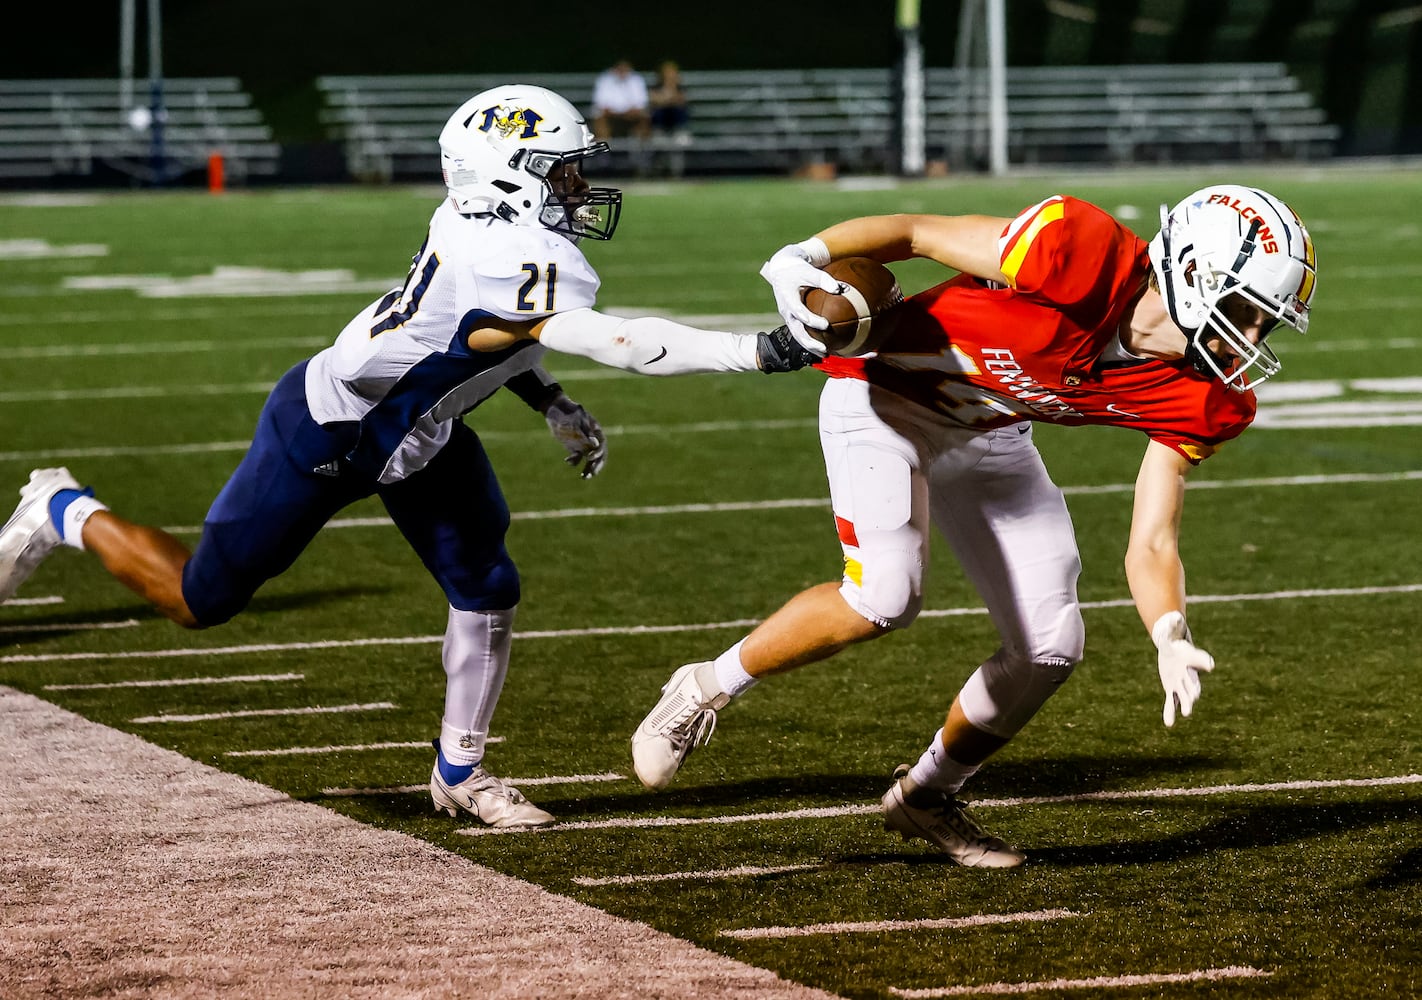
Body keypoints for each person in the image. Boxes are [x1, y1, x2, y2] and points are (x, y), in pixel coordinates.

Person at [0, 84, 815, 830]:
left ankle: (459, 771)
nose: (576, 189)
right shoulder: (511, 253)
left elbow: (495, 339)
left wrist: (549, 401)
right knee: (197, 599)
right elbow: (627, 343)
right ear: (508, 177)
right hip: (332, 430)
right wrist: (765, 350)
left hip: (419, 435)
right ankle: (61, 509)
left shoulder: (484, 227)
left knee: (488, 584)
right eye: (559, 173)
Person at [630, 185, 1318, 867]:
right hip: (885, 398)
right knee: (883, 597)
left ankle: (927, 795)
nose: (1251, 337)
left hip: (990, 428)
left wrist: (1169, 632)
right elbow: (915, 230)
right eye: (1246, 311)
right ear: (1193, 272)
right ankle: (703, 688)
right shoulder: (1082, 251)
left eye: (1267, 320)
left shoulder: (1207, 397)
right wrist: (803, 256)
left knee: (1050, 648)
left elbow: (1154, 536)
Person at [591, 59, 652, 144]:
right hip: (611, 117)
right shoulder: (605, 80)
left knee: (644, 118)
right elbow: (601, 106)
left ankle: (642, 151)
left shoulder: (637, 80)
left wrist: (626, 113)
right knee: (599, 119)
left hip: (631, 116)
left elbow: (641, 105)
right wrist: (619, 113)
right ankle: (604, 152)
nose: (623, 70)